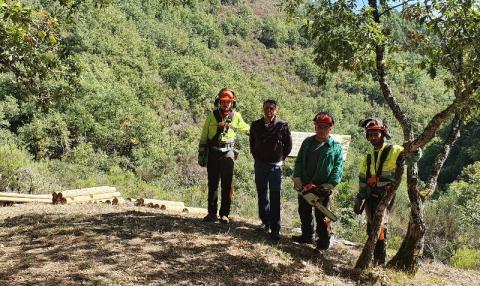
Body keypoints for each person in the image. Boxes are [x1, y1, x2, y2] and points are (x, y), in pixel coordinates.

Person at [354, 117, 404, 266]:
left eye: (376, 134)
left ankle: (379, 261)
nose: (373, 137)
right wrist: (359, 198)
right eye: (370, 134)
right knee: (371, 227)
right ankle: (372, 258)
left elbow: (414, 155)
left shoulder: (394, 150)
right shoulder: (369, 157)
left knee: (380, 228)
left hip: (386, 195)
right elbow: (363, 179)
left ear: (383, 134)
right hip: (370, 196)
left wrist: (414, 148)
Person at [292, 112, 344, 250]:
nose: (321, 130)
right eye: (319, 126)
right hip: (305, 184)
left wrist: (329, 185)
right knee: (304, 212)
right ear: (315, 127)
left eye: (324, 127)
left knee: (322, 216)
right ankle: (307, 235)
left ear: (330, 128)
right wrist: (297, 177)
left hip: (322, 187)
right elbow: (299, 161)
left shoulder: (336, 147)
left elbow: (338, 168)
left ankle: (323, 241)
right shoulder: (308, 142)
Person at [198, 88, 250, 224]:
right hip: (213, 152)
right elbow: (204, 136)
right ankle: (211, 213)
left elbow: (246, 128)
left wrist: (260, 131)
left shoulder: (236, 116)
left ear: (232, 103)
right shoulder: (211, 116)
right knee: (213, 184)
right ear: (219, 101)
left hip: (228, 152)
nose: (226, 104)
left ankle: (224, 214)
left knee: (227, 185)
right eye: (223, 101)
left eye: (228, 102)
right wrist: (202, 154)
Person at [249, 99, 292, 241]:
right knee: (262, 194)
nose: (269, 111)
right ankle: (265, 222)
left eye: (272, 108)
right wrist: (257, 157)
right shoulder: (255, 125)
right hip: (260, 164)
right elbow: (252, 144)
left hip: (275, 166)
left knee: (275, 196)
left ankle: (275, 228)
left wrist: (280, 157)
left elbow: (288, 146)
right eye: (267, 108)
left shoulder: (282, 125)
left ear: (276, 110)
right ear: (263, 109)